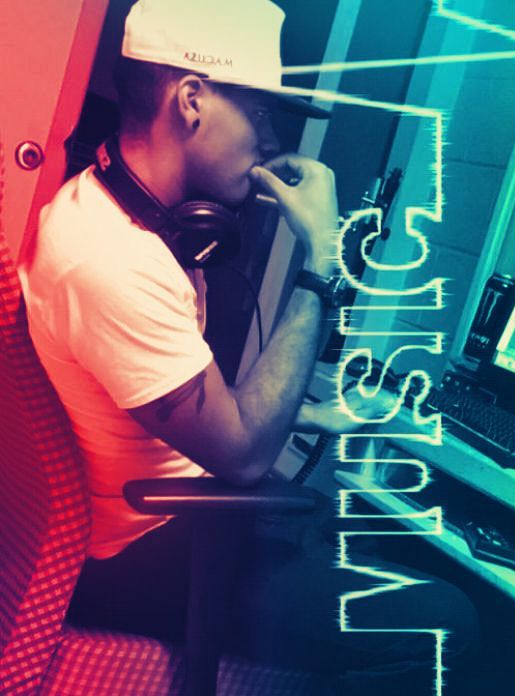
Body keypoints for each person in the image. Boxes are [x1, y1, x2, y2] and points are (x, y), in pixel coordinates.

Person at [18, 0, 479, 693]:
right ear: (191, 100)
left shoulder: (116, 218)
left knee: (336, 531)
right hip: (150, 549)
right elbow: (240, 456)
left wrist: (306, 412)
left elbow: (166, 400)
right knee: (447, 619)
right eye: (261, 112)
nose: (270, 140)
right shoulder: (108, 259)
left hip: (172, 518)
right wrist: (322, 260)